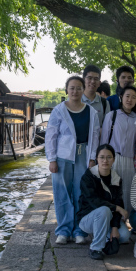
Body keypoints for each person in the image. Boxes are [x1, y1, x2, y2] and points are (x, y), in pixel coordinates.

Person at [46, 75, 101, 246]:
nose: (75, 91)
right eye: (72, 88)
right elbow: (51, 136)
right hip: (62, 156)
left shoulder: (91, 112)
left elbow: (95, 136)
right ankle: (63, 230)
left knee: (81, 193)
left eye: (78, 88)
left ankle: (79, 230)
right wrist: (52, 159)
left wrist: (92, 158)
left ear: (83, 90)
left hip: (83, 155)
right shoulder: (59, 110)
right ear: (66, 90)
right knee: (62, 193)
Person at [76, 145, 131, 260]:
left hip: (108, 218)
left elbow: (119, 203)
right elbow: (94, 201)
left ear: (113, 159)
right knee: (104, 210)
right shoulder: (88, 177)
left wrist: (115, 227)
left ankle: (104, 237)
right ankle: (95, 248)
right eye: (102, 157)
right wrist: (116, 208)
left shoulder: (116, 178)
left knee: (124, 236)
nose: (105, 160)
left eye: (109, 157)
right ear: (97, 159)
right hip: (87, 219)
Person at [101, 85, 136, 212]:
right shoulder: (112, 115)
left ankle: (127, 217)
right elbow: (104, 141)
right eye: (127, 96)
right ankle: (113, 218)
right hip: (113, 159)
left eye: (133, 97)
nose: (130, 100)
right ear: (121, 97)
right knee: (112, 190)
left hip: (130, 160)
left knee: (128, 191)